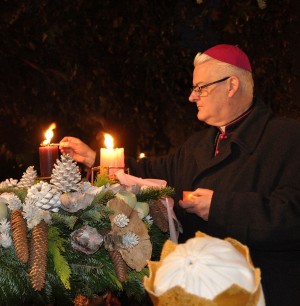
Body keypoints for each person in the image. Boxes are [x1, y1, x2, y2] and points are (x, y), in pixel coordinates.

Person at [59, 44, 300, 306]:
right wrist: (96, 159)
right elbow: (151, 174)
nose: (191, 97)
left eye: (200, 88)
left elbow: (292, 215)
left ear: (231, 86)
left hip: (261, 293)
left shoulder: (287, 138)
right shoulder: (198, 144)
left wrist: (219, 207)